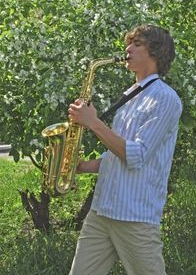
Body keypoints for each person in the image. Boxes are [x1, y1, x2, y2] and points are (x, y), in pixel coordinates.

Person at [68, 24, 182, 275]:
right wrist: (83, 167)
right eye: (128, 44)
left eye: (136, 44)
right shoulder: (132, 96)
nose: (127, 49)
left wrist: (93, 122)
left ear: (156, 51)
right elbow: (120, 153)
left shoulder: (165, 98)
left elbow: (136, 155)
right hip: (101, 212)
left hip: (134, 217)